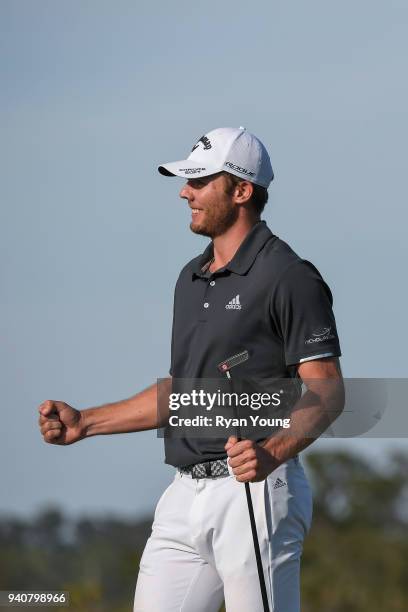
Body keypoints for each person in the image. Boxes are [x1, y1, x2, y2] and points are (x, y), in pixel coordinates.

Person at [38, 127, 344, 612]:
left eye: (199, 181)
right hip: (184, 493)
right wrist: (87, 422)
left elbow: (326, 393)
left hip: (256, 492)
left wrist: (271, 453)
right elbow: (184, 393)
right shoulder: (190, 277)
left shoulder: (290, 276)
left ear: (241, 191)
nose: (185, 192)